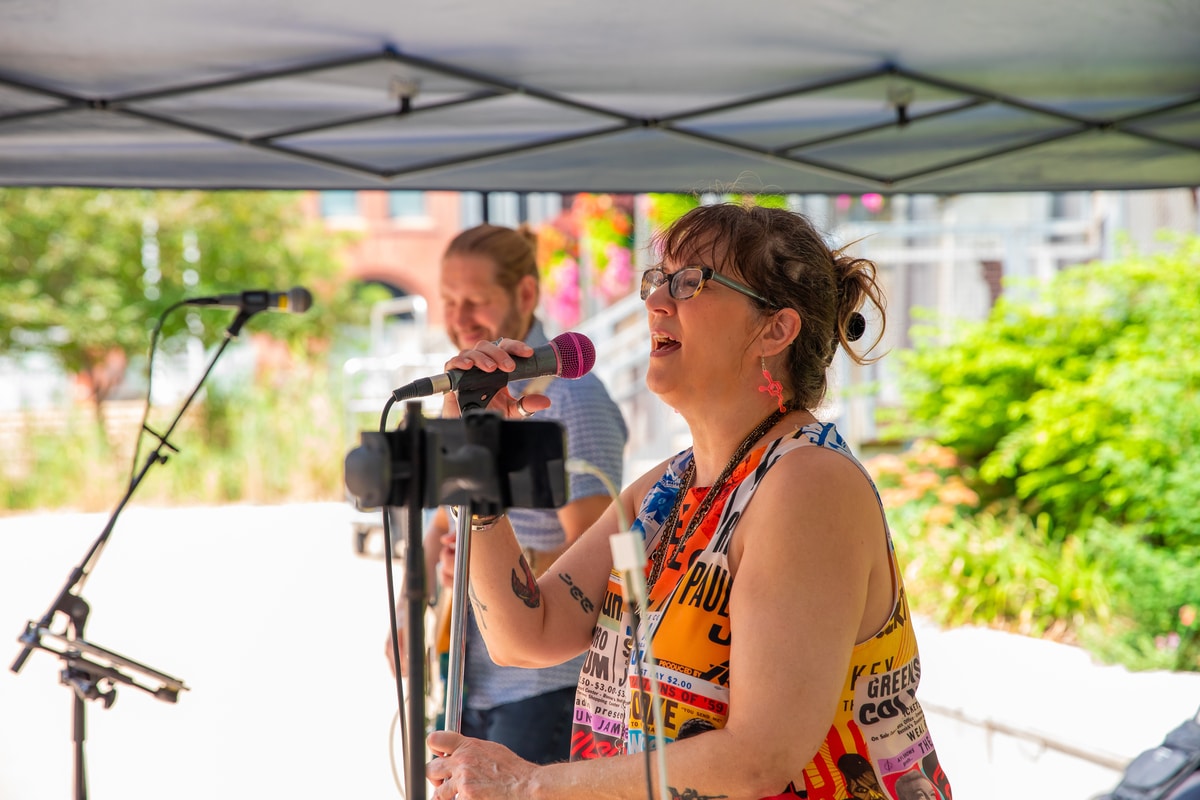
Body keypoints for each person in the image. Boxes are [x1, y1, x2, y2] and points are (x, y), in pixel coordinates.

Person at [423, 201, 954, 800]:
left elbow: (758, 758)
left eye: (690, 282)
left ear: (774, 330)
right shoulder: (667, 488)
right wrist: (473, 463)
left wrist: (528, 784)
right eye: (656, 279)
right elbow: (524, 634)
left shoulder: (808, 483)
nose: (655, 300)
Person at [385, 223, 628, 766]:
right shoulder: (475, 396)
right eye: (448, 301)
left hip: (545, 685)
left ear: (524, 294)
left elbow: (596, 553)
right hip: (471, 677)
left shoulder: (572, 399)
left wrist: (481, 563)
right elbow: (444, 524)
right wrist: (408, 608)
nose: (459, 318)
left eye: (476, 300)